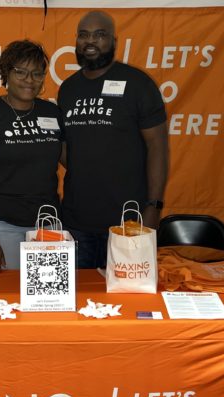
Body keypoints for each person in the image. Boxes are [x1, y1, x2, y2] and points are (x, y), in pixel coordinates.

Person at [58, 11, 169, 269]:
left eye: (99, 35)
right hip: (76, 223)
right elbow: (66, 148)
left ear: (114, 41)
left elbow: (158, 147)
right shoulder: (68, 89)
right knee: (78, 292)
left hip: (128, 222)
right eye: (84, 35)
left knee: (126, 293)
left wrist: (153, 206)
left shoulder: (138, 84)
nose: (90, 41)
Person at [0, 40, 63, 273]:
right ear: (6, 73)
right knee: (10, 291)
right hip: (0, 226)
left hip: (47, 223)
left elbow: (72, 161)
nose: (29, 80)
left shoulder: (52, 113)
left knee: (47, 290)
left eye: (37, 73)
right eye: (21, 72)